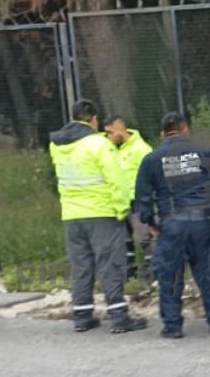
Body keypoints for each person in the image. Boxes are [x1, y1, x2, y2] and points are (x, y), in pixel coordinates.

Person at [49, 99, 147, 333]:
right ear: (93, 120)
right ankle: (119, 317)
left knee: (81, 266)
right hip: (101, 213)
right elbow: (116, 180)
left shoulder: (57, 145)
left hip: (71, 215)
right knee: (110, 265)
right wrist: (122, 210)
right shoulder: (99, 144)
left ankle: (82, 316)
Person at [135, 112, 210, 339]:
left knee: (170, 275)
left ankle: (173, 325)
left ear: (163, 133)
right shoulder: (206, 154)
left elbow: (143, 197)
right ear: (186, 128)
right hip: (202, 221)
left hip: (171, 223)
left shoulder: (152, 159)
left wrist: (150, 222)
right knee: (208, 272)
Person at [104, 116, 154, 283]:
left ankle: (153, 277)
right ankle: (128, 279)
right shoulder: (109, 149)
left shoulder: (141, 149)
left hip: (137, 202)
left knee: (144, 239)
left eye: (110, 132)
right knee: (123, 243)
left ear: (121, 130)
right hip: (118, 203)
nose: (108, 136)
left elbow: (152, 175)